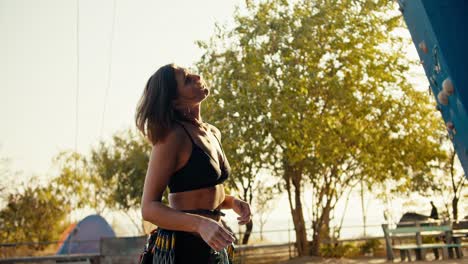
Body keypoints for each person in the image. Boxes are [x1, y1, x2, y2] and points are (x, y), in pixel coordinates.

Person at [135, 63, 252, 263]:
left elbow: (199, 193)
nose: (197, 77)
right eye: (187, 80)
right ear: (174, 101)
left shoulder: (212, 132)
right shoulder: (172, 138)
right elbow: (149, 208)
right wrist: (200, 224)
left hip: (214, 245)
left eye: (192, 73)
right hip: (183, 248)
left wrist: (232, 202)